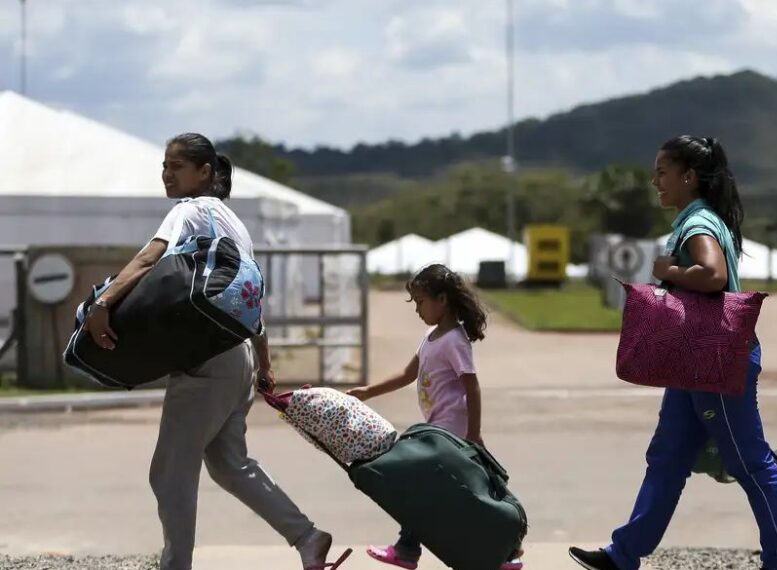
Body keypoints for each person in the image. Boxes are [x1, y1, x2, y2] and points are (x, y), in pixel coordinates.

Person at [82, 132, 350, 570]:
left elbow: (150, 258)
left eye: (176, 166)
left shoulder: (189, 211)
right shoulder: (232, 222)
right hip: (237, 355)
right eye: (164, 166)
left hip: (206, 360)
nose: (167, 174)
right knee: (229, 464)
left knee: (168, 474)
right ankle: (308, 538)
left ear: (204, 173)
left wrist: (102, 303)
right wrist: (262, 363)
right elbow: (247, 297)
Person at [568, 136, 777, 570]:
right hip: (693, 362)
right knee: (667, 457)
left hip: (713, 362)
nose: (655, 179)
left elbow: (711, 276)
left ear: (688, 177)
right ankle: (624, 554)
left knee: (751, 463)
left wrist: (668, 271)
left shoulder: (697, 224)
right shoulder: (699, 219)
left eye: (662, 171)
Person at [348, 263, 523, 570]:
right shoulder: (431, 336)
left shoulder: (455, 340)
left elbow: (472, 385)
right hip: (436, 430)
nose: (417, 310)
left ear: (442, 300)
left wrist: (475, 433)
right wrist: (368, 391)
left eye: (420, 302)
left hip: (452, 433)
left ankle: (407, 550)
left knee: (425, 488)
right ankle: (506, 552)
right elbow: (407, 374)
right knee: (452, 495)